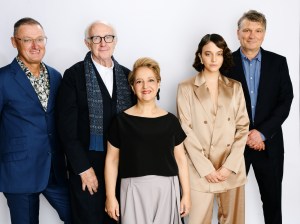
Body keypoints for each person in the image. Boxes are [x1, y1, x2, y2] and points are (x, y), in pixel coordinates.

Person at [56, 20, 135, 224]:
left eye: (108, 37)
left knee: (119, 218)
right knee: (89, 219)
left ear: (115, 41)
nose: (103, 43)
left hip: (121, 163)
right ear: (87, 43)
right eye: (96, 38)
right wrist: (82, 168)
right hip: (87, 164)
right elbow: (66, 129)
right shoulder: (74, 75)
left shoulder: (128, 76)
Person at [0, 17, 71, 224]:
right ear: (14, 42)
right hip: (18, 172)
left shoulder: (56, 76)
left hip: (54, 169)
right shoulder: (3, 79)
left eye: (40, 39)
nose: (35, 46)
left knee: (78, 216)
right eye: (27, 40)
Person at [226, 10, 294, 224]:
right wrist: (245, 135)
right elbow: (221, 105)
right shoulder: (225, 63)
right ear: (238, 33)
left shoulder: (278, 63)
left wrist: (262, 133)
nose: (251, 35)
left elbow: (286, 101)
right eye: (246, 30)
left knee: (273, 202)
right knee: (230, 202)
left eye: (258, 31)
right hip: (234, 145)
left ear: (264, 34)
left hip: (269, 144)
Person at [104, 57, 191, 224]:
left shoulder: (171, 121)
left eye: (151, 80)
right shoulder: (120, 121)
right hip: (132, 190)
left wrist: (186, 194)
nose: (145, 86)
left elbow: (181, 159)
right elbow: (112, 160)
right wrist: (110, 196)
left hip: (166, 190)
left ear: (158, 84)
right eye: (139, 81)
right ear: (132, 87)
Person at [177, 34, 249, 224]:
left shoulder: (235, 87)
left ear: (224, 56)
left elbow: (243, 128)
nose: (214, 59)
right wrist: (206, 168)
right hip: (199, 169)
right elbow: (185, 129)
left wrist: (228, 167)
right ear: (200, 56)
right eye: (208, 54)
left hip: (231, 167)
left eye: (219, 54)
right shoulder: (185, 88)